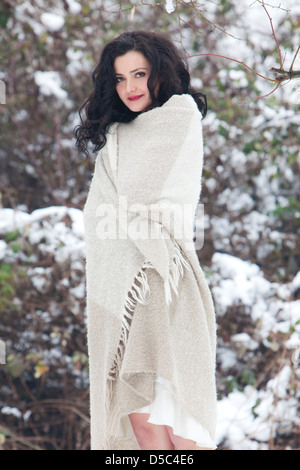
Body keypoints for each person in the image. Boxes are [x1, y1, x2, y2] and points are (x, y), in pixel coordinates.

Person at [75, 30, 217, 451]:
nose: (130, 88)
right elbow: (99, 212)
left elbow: (140, 196)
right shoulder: (117, 136)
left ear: (161, 72)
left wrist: (123, 214)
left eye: (139, 74)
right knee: (140, 425)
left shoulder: (179, 117)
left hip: (162, 281)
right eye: (119, 79)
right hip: (119, 289)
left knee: (181, 426)